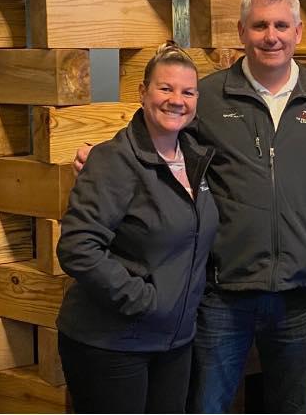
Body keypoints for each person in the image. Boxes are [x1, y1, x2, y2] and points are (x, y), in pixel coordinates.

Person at [75, 0, 306, 413]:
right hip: (222, 294)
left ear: (299, 32)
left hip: (299, 294)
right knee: (207, 405)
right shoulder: (205, 98)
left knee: (292, 407)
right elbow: (155, 137)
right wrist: (103, 155)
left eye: (282, 25)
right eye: (259, 25)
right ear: (241, 32)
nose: (271, 36)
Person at [56, 41, 218, 413]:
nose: (176, 99)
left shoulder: (196, 159)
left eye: (188, 91)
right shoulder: (114, 160)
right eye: (165, 88)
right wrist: (146, 302)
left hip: (173, 342)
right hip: (112, 343)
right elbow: (78, 248)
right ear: (142, 92)